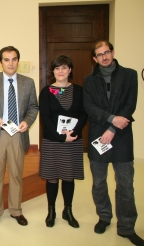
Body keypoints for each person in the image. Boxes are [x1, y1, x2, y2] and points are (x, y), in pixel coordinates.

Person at [83, 40, 144, 246]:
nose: (105, 57)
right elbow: (89, 107)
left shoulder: (129, 75)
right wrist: (111, 120)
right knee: (99, 183)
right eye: (100, 54)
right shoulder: (89, 80)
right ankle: (104, 217)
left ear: (113, 52)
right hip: (98, 136)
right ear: (94, 58)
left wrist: (113, 128)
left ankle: (127, 227)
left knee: (126, 185)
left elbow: (130, 104)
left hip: (121, 136)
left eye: (107, 52)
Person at [0, 46, 39, 228]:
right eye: (6, 59)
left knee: (16, 175)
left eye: (14, 59)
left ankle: (16, 210)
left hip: (18, 134)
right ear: (0, 63)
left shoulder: (28, 82)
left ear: (18, 61)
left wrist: (27, 121)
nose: (10, 63)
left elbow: (33, 107)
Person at [39, 55, 87, 228]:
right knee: (52, 178)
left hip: (73, 140)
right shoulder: (46, 91)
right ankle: (51, 211)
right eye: (57, 68)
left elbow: (83, 114)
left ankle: (68, 211)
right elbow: (45, 117)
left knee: (68, 178)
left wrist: (72, 133)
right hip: (53, 141)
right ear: (53, 71)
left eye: (64, 68)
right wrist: (61, 137)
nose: (60, 71)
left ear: (70, 70)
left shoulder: (79, 90)